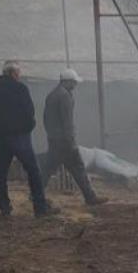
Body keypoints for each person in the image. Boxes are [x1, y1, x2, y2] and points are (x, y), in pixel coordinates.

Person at [0, 60, 58, 217]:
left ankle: (4, 208)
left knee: (1, 172)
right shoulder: (20, 88)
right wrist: (29, 126)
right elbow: (29, 111)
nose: (19, 76)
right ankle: (40, 208)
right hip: (20, 136)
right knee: (33, 170)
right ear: (13, 73)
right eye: (18, 73)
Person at [40, 68, 106, 206]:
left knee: (47, 169)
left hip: (54, 140)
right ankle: (90, 197)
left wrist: (52, 135)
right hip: (65, 142)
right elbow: (67, 121)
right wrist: (71, 141)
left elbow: (45, 118)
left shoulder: (52, 94)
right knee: (78, 168)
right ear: (67, 82)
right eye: (74, 82)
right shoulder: (65, 96)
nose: (75, 85)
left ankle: (36, 194)